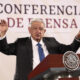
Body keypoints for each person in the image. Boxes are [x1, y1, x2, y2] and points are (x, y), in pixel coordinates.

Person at [0, 19, 80, 80]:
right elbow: (5, 49)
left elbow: (69, 52)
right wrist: (2, 34)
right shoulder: (21, 43)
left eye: (41, 29)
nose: (38, 31)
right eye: (35, 28)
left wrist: (78, 37)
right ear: (29, 30)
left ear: (44, 31)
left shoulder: (52, 42)